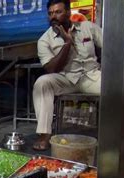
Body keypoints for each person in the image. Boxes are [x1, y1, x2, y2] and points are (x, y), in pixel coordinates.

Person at [32, 0, 102, 150]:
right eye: (50, 13)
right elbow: (51, 68)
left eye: (58, 12)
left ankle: (119, 134)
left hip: (92, 76)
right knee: (42, 82)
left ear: (69, 13)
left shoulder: (88, 27)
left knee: (119, 87)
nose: (53, 17)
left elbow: (111, 46)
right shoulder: (44, 40)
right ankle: (44, 135)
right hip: (66, 79)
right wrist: (67, 44)